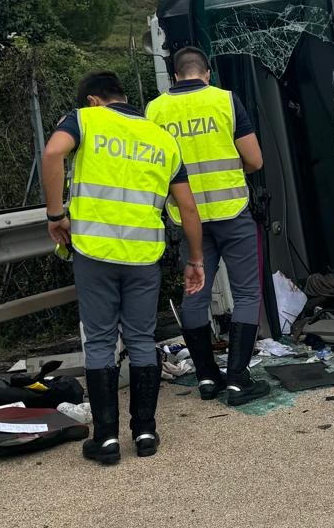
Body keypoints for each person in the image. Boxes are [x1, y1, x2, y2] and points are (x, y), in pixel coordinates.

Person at [41, 71, 205, 466]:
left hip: (95, 251)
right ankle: (146, 432)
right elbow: (187, 208)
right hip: (143, 256)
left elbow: (52, 154)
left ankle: (107, 439)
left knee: (99, 341)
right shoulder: (162, 139)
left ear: (94, 100)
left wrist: (55, 215)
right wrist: (195, 260)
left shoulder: (84, 119)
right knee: (142, 339)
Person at [145, 47, 269, 407]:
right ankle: (238, 379)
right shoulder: (226, 101)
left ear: (174, 77)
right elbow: (255, 159)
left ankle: (206, 377)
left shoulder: (155, 110)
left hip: (188, 220)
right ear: (207, 73)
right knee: (246, 293)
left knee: (195, 293)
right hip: (232, 210)